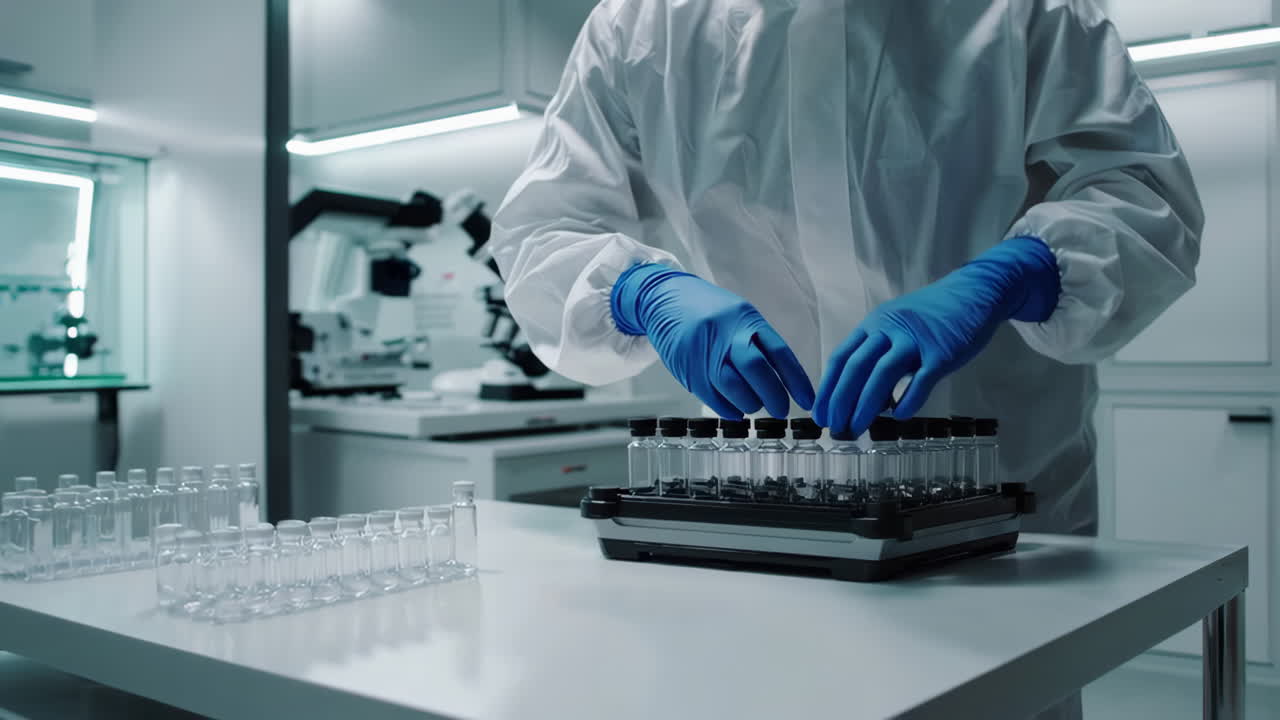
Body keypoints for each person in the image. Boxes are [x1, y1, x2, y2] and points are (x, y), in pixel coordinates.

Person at [489, 2, 1202, 713]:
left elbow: (1139, 192)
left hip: (994, 509)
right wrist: (640, 290)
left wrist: (1020, 271)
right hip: (757, 500)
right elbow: (548, 226)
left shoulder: (1028, 10)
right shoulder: (640, 24)